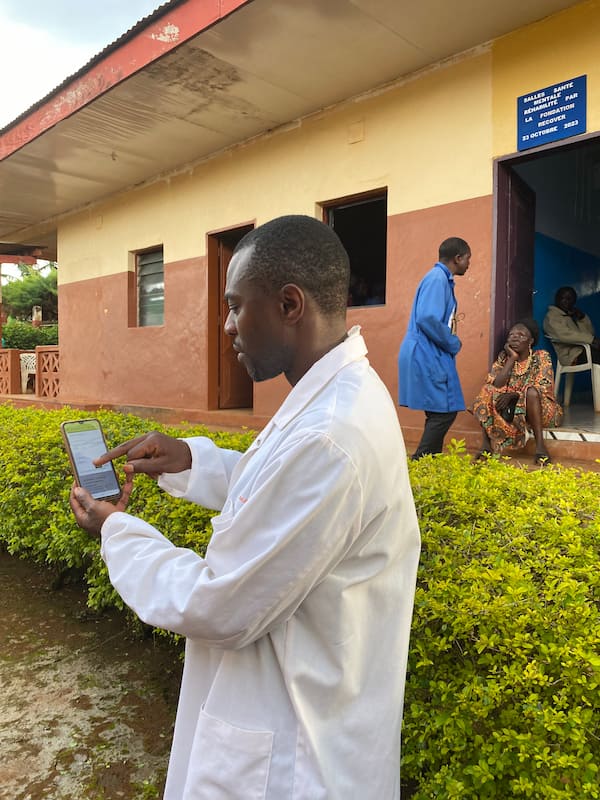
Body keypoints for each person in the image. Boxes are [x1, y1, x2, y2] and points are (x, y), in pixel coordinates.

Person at [69, 215, 421, 800]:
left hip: (295, 757)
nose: (226, 324)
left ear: (288, 304)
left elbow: (218, 604)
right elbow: (279, 487)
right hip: (291, 722)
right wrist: (190, 460)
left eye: (236, 305)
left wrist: (118, 530)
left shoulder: (330, 435)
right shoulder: (332, 396)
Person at [398, 237, 471, 459]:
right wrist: (452, 342)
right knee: (444, 412)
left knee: (439, 412)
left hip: (427, 352)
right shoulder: (437, 279)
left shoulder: (440, 278)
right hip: (426, 353)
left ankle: (430, 468)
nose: (469, 264)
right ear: (457, 258)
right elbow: (428, 318)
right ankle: (421, 463)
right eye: (468, 259)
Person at [470, 319, 562, 464]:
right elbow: (497, 384)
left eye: (521, 335)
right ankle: (486, 446)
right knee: (487, 389)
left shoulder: (541, 357)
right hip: (512, 410)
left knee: (531, 392)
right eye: (511, 335)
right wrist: (512, 358)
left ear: (530, 340)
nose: (514, 337)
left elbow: (543, 388)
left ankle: (540, 447)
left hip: (540, 409)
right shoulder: (504, 358)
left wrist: (515, 395)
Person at [543, 285, 600, 366]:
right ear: (557, 299)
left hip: (584, 350)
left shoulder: (571, 315)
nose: (566, 302)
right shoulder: (552, 316)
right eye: (563, 298)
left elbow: (590, 333)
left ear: (574, 301)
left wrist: (582, 319)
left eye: (570, 299)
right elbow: (563, 335)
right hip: (571, 356)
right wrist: (592, 340)